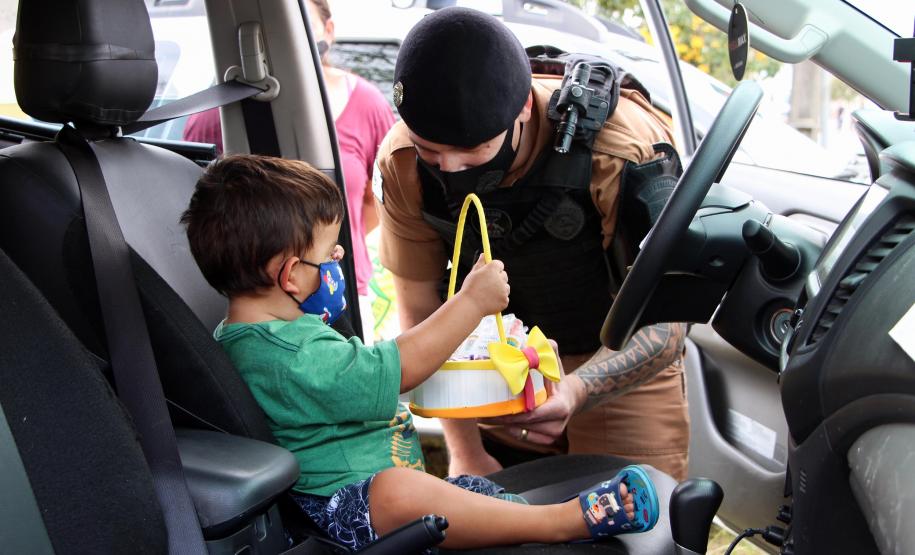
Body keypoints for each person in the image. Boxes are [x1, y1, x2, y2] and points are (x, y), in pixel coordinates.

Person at [180, 154, 660, 551]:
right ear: (289, 275)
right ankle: (563, 521)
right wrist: (470, 304)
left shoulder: (268, 336)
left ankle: (537, 526)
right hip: (343, 511)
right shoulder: (285, 358)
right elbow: (398, 369)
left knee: (455, 494)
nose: (340, 259)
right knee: (400, 491)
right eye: (330, 253)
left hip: (379, 493)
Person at [374, 8, 689, 480]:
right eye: (430, 150)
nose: (451, 169)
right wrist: (464, 448)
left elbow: (666, 321)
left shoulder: (618, 149)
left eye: (473, 149)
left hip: (614, 365)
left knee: (637, 523)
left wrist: (577, 390)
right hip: (492, 365)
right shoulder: (404, 162)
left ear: (522, 108)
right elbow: (421, 310)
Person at [183, 0, 394, 340]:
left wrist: (322, 247)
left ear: (328, 30)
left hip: (343, 291)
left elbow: (377, 202)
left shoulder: (368, 103)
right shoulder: (210, 117)